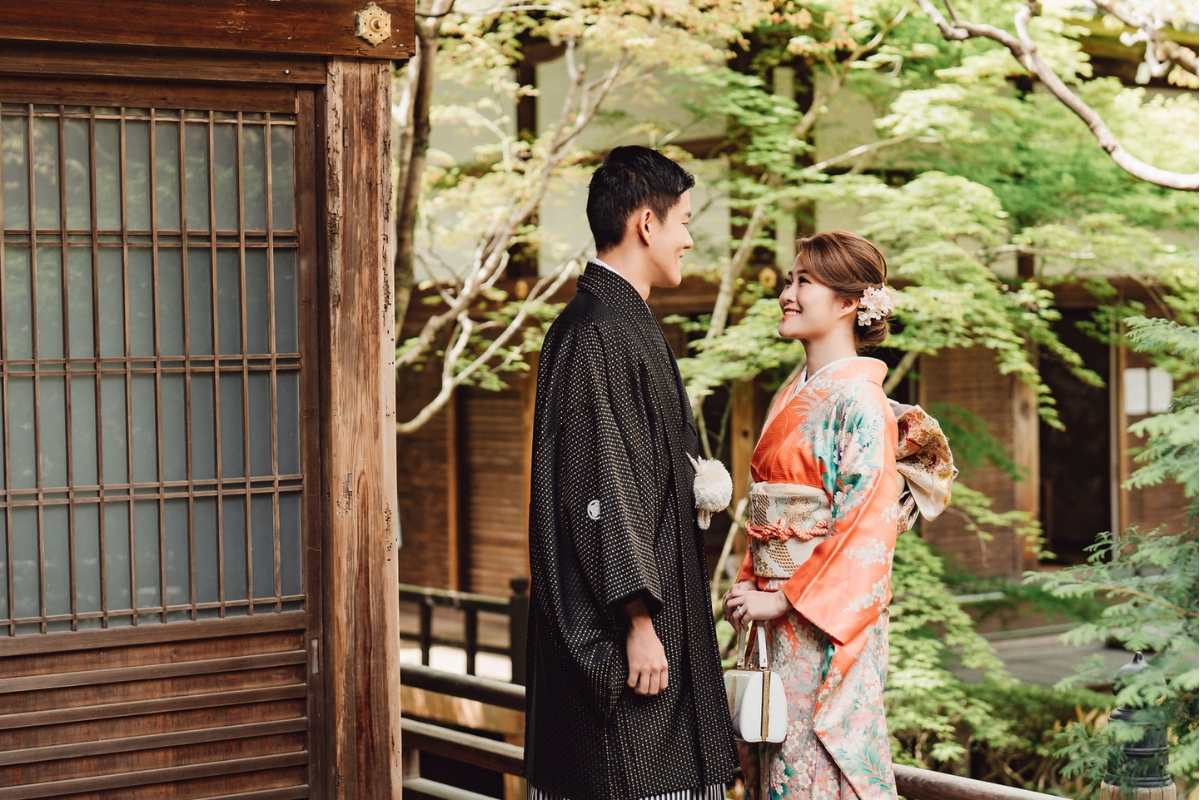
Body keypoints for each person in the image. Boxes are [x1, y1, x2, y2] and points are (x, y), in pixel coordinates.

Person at [523, 146, 739, 800]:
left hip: (644, 619)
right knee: (630, 772)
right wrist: (639, 623)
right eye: (683, 221)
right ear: (646, 223)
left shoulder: (615, 322)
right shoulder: (598, 332)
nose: (689, 239)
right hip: (626, 634)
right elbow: (603, 487)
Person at [721, 231, 956, 800]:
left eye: (805, 282)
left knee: (815, 759)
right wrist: (752, 578)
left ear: (851, 303)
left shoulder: (860, 402)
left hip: (821, 614)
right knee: (772, 749)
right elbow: (769, 507)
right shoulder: (794, 391)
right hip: (779, 608)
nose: (787, 294)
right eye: (789, 280)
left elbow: (867, 523)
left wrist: (782, 596)